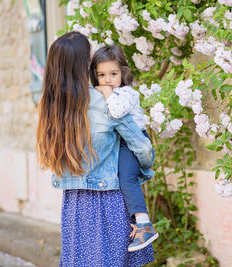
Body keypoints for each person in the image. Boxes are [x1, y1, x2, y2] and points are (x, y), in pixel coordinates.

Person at [36, 31, 155, 266]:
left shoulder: (50, 106)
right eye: (89, 53)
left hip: (74, 206)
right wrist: (137, 171)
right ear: (83, 63)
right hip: (109, 200)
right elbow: (143, 147)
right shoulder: (106, 100)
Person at [89, 45, 159, 252]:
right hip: (120, 142)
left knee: (126, 179)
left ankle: (144, 224)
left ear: (123, 73)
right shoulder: (102, 92)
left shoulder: (128, 93)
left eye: (113, 74)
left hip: (133, 141)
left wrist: (107, 92)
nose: (107, 79)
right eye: (101, 75)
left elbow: (118, 112)